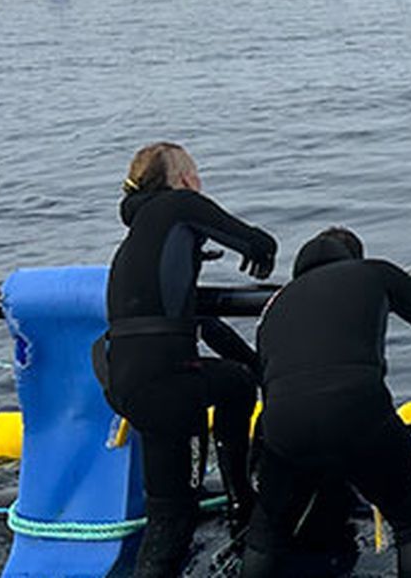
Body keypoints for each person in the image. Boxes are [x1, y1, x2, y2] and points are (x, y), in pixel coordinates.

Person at [99, 142, 278, 577]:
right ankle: (243, 501)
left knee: (166, 519)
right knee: (178, 518)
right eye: (196, 174)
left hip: (126, 381)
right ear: (182, 180)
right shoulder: (178, 206)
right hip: (166, 384)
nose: (200, 183)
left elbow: (200, 321)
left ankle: (238, 503)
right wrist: (261, 254)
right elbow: (257, 242)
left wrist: (256, 363)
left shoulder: (139, 241)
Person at [241, 227, 411, 578]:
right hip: (357, 409)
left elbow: (268, 377)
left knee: (267, 527)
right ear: (353, 257)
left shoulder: (275, 304)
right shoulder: (372, 272)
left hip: (284, 421)